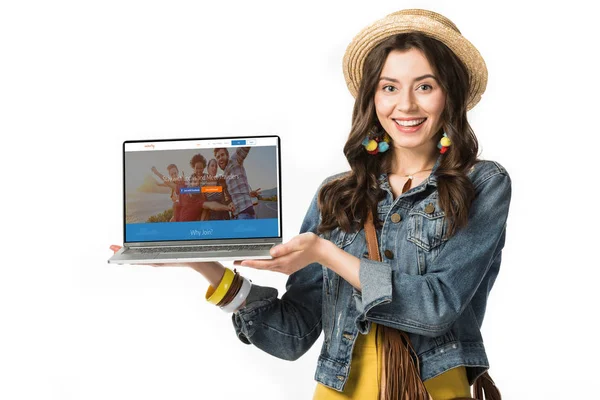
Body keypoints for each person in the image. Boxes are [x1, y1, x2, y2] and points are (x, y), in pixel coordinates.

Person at [111, 9, 510, 400]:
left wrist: (326, 253)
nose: (405, 105)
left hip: (430, 390)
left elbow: (435, 308)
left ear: (449, 94)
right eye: (389, 87)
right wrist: (202, 263)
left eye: (425, 86)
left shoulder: (481, 184)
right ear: (372, 97)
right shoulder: (338, 193)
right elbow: (293, 334)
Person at [214, 146, 257, 219]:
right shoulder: (225, 175)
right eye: (218, 157)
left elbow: (244, 147)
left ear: (227, 155)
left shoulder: (234, 160)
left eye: (222, 155)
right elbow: (235, 193)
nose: (220, 158)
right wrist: (249, 194)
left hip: (244, 213)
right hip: (236, 215)